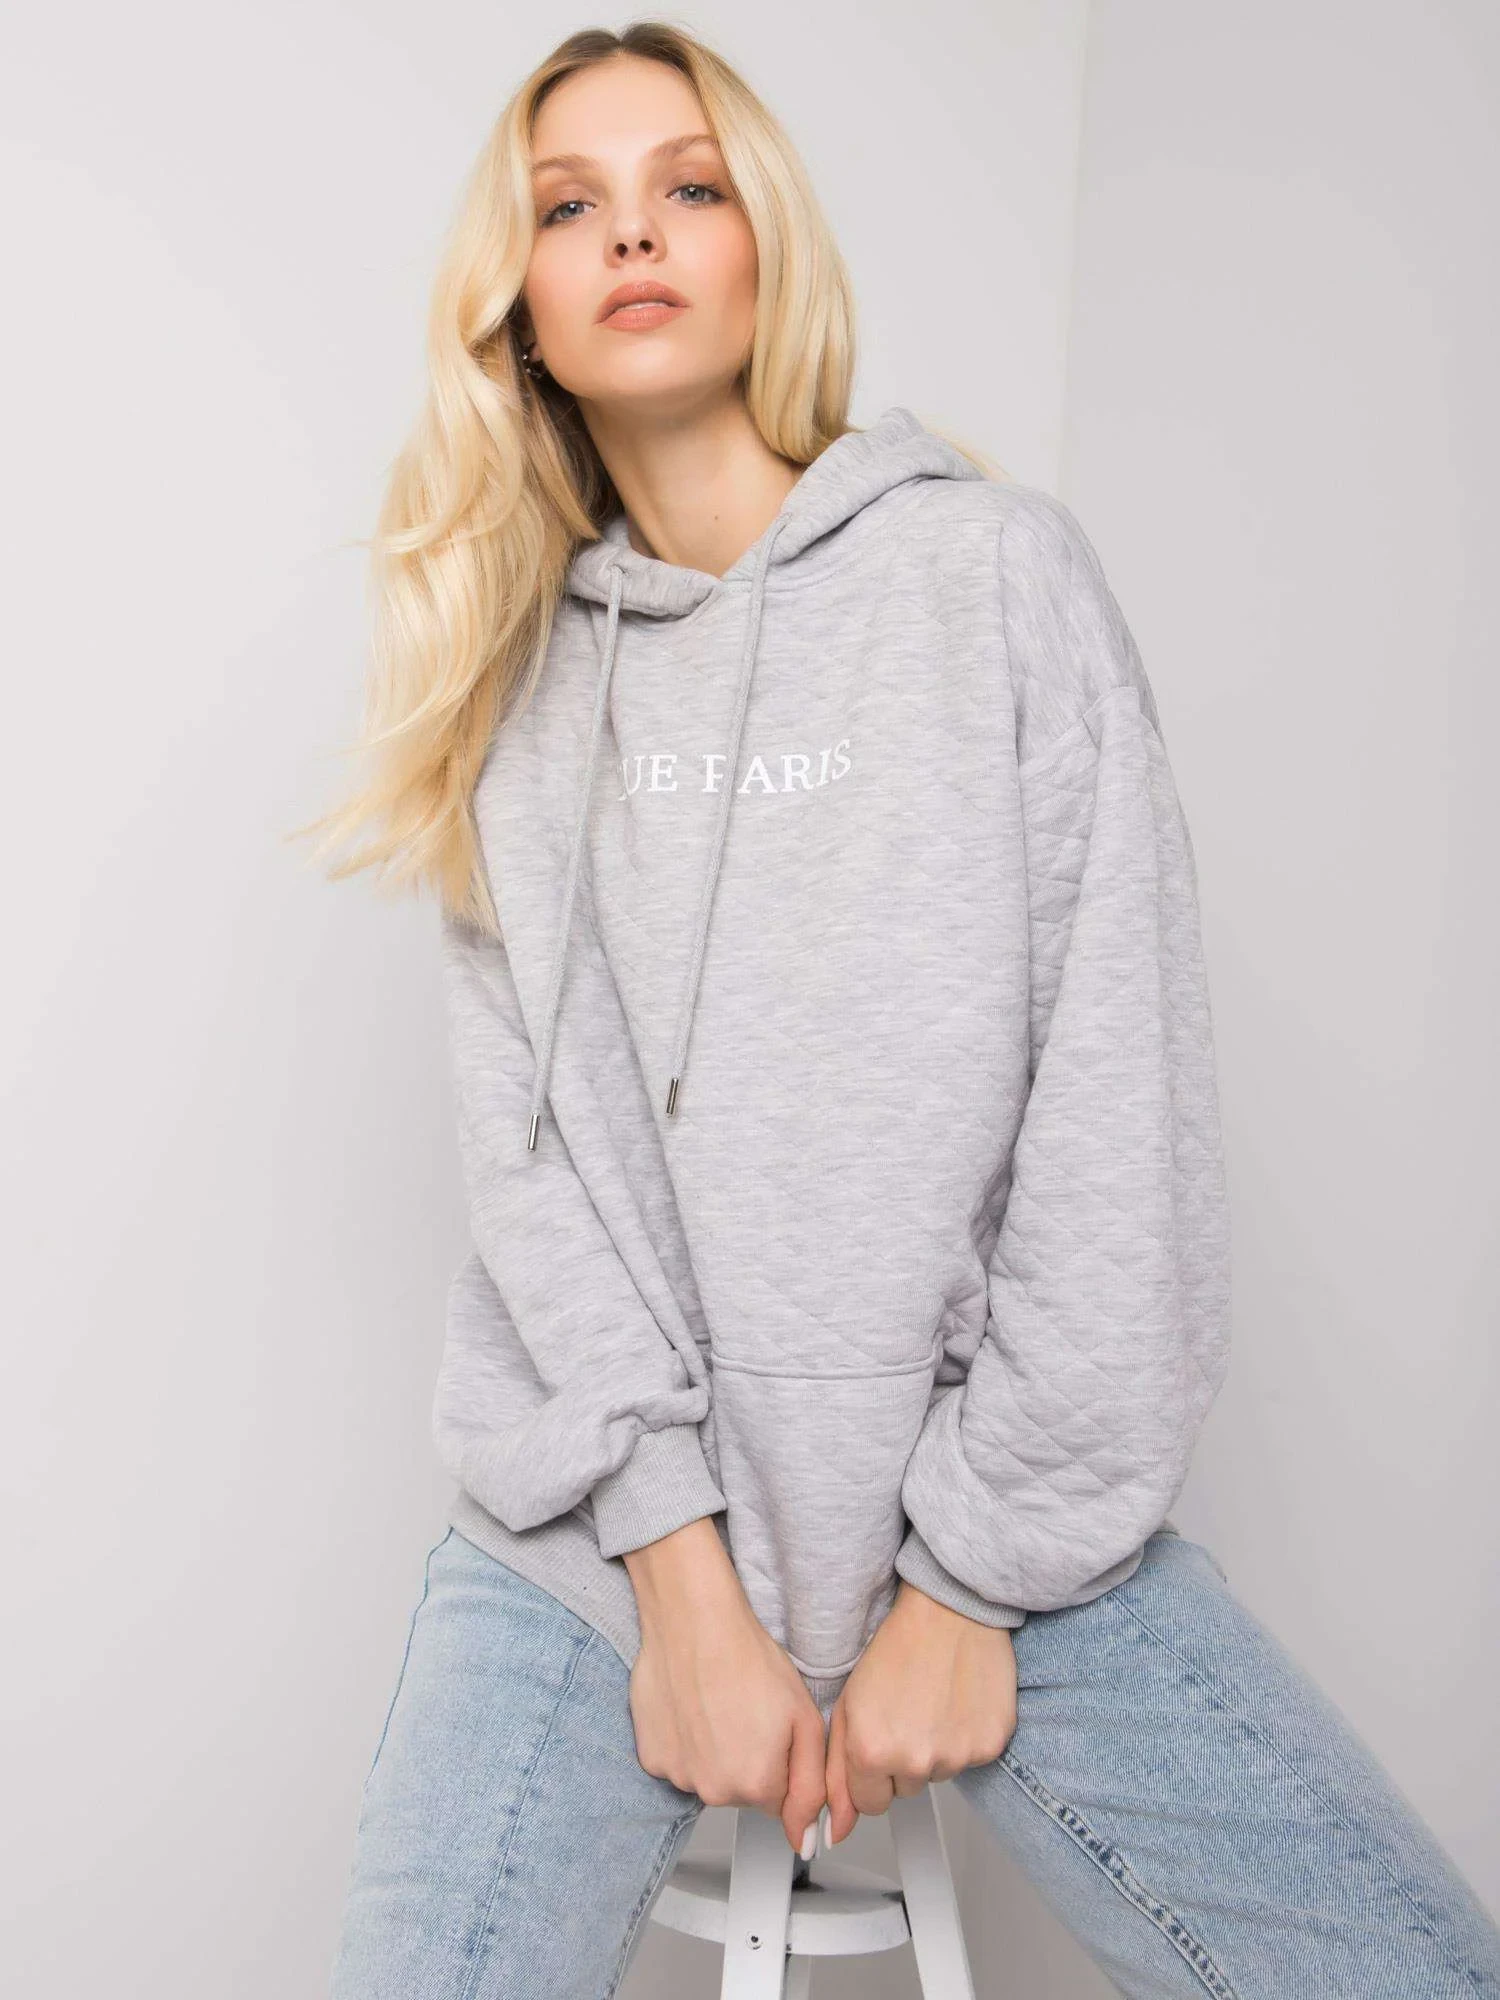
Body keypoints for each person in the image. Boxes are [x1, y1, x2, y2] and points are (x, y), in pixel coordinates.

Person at [307, 21, 1500, 1999]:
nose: (635, 235)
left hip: (988, 1504)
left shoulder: (992, 583)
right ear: (514, 302)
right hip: (602, 1544)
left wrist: (968, 1579)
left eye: (689, 185)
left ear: (763, 241)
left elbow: (1115, 1119)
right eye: (570, 206)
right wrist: (681, 1580)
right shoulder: (512, 690)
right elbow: (535, 1190)